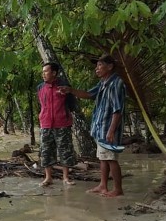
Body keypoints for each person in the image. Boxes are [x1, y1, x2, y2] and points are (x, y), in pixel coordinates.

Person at [58, 54, 126, 197]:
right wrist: (70, 90)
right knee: (103, 157)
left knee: (111, 158)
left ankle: (118, 189)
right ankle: (103, 185)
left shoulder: (116, 84)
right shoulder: (103, 83)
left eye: (100, 65)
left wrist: (111, 130)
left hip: (108, 128)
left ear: (110, 66)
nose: (97, 69)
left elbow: (118, 110)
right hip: (100, 128)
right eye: (96, 66)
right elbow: (89, 94)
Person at [37, 62, 77, 187]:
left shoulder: (64, 86)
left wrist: (64, 115)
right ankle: (48, 177)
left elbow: (72, 105)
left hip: (62, 124)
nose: (43, 74)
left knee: (65, 150)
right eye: (43, 71)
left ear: (54, 73)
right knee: (46, 151)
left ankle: (66, 177)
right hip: (46, 124)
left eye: (46, 71)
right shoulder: (40, 88)